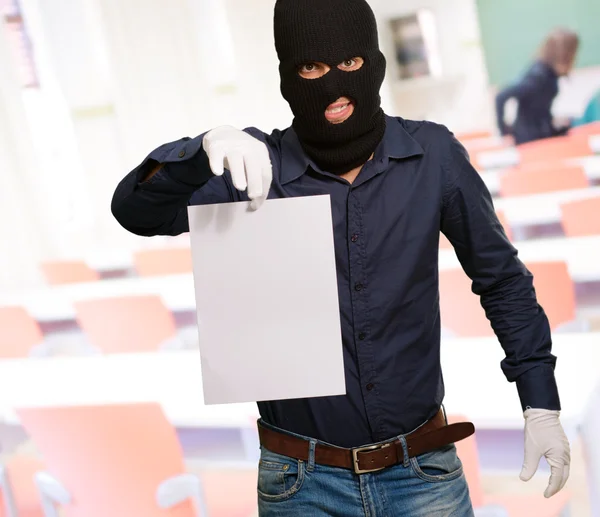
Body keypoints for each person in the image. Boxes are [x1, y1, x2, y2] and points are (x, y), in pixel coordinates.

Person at [112, 0, 571, 515]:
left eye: (349, 64)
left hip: (422, 472)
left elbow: (501, 279)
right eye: (311, 68)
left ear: (372, 63)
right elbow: (136, 212)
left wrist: (540, 401)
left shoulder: (433, 155)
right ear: (289, 76)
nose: (332, 85)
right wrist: (199, 151)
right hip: (300, 482)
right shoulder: (253, 168)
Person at [496, 28, 580, 145]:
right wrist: (504, 133)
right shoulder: (538, 76)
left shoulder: (549, 72)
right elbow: (501, 96)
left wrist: (552, 119)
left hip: (541, 132)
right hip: (531, 140)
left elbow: (538, 107)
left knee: (576, 124)